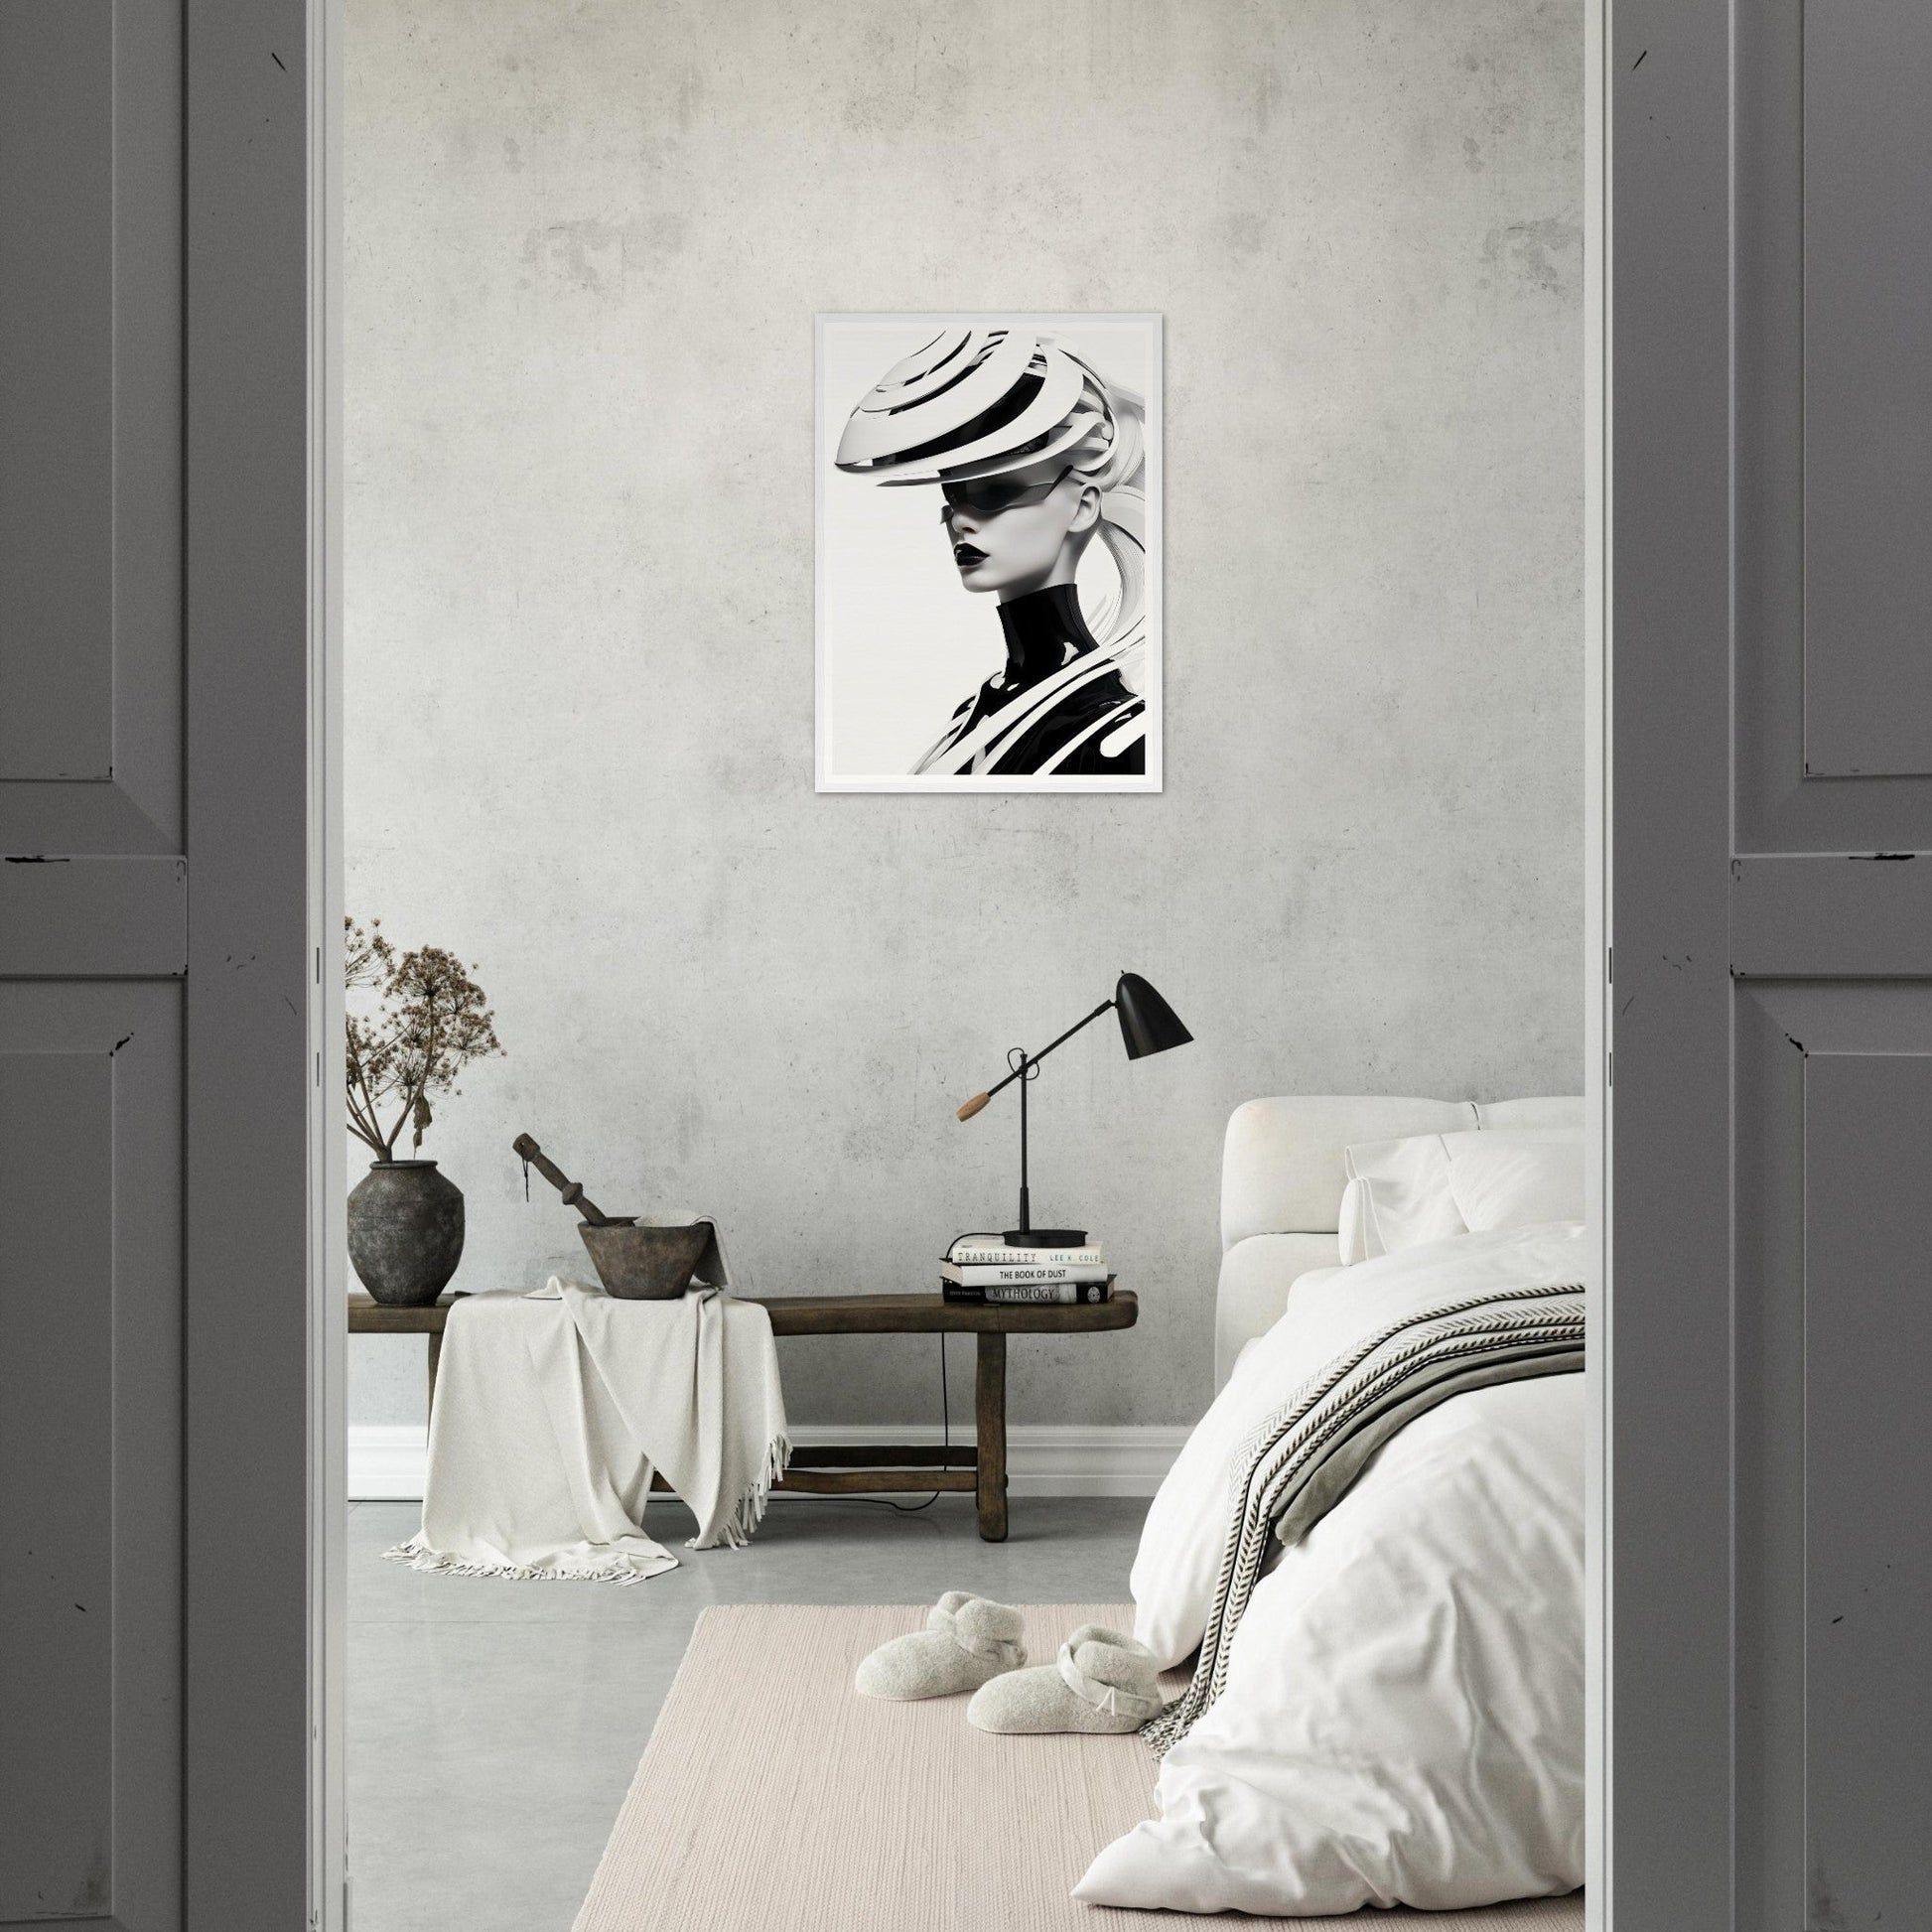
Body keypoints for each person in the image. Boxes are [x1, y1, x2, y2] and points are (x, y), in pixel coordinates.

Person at [834, 326, 1150, 776]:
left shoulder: (1116, 733)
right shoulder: (972, 717)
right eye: (955, 496)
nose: (961, 519)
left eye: (998, 493)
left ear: (1082, 507)